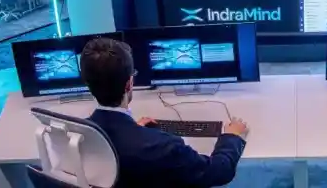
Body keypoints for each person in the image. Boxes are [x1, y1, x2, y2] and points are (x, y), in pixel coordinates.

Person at [80, 37, 249, 188]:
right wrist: (232, 137)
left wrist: (132, 131)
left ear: (88, 84)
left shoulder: (76, 135)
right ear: (129, 84)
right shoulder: (163, 147)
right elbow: (218, 171)